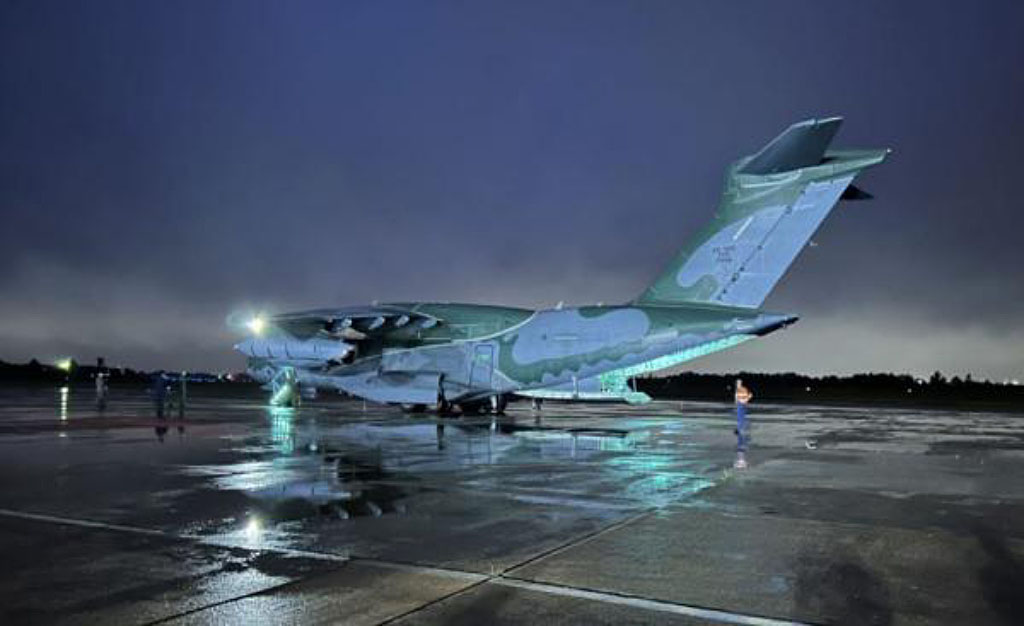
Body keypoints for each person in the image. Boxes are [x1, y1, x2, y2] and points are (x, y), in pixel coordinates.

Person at [734, 379, 753, 469]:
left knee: (741, 445)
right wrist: (738, 385)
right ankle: (741, 461)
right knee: (741, 445)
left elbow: (744, 398)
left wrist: (739, 386)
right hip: (740, 427)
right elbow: (737, 397)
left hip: (742, 427)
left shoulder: (742, 404)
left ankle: (741, 461)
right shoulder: (739, 404)